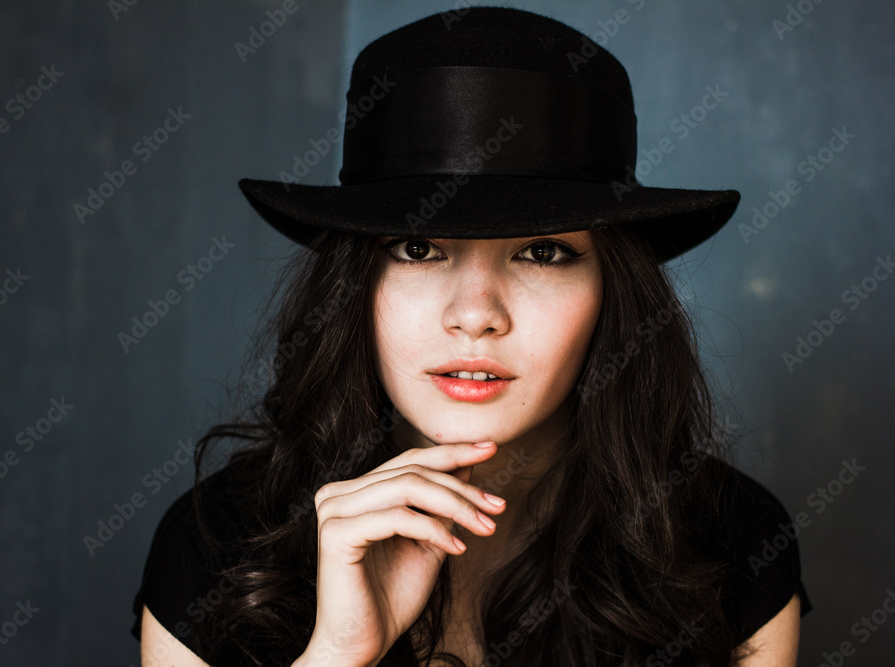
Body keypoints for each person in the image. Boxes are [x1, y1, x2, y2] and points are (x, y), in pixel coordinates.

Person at [132, 7, 812, 666]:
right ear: (354, 286)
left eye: (542, 252)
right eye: (420, 248)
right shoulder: (215, 548)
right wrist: (337, 656)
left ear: (615, 292)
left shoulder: (732, 545)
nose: (476, 314)